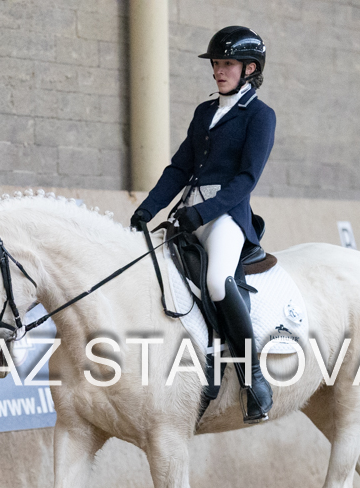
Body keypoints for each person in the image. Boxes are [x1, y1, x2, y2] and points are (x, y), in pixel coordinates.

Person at [130, 26, 276, 424]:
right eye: (216, 63)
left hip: (226, 216)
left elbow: (246, 179)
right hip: (188, 212)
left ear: (249, 69)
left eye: (227, 63)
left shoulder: (260, 116)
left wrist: (206, 211)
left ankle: (253, 378)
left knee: (216, 282)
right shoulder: (204, 112)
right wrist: (148, 208)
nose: (218, 70)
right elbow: (179, 168)